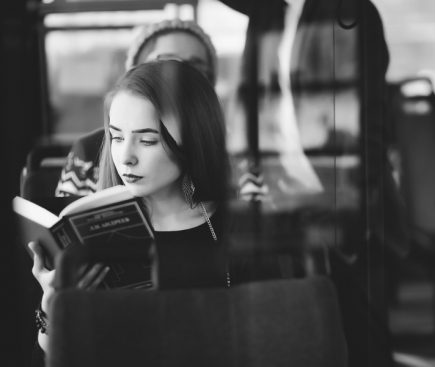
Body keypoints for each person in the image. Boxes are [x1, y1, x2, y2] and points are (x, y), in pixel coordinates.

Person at [218, 1, 409, 365]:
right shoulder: (268, 13)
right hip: (286, 204)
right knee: (308, 336)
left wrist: (349, 222)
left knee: (361, 339)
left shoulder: (350, 12)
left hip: (346, 209)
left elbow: (366, 129)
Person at [30, 59, 232, 357]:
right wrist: (52, 304)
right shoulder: (90, 232)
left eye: (147, 141)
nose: (125, 157)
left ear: (194, 140)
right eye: (116, 137)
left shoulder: (233, 226)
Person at [55, 19, 218, 197]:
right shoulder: (88, 152)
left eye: (195, 68)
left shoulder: (237, 157)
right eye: (167, 63)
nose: (184, 77)